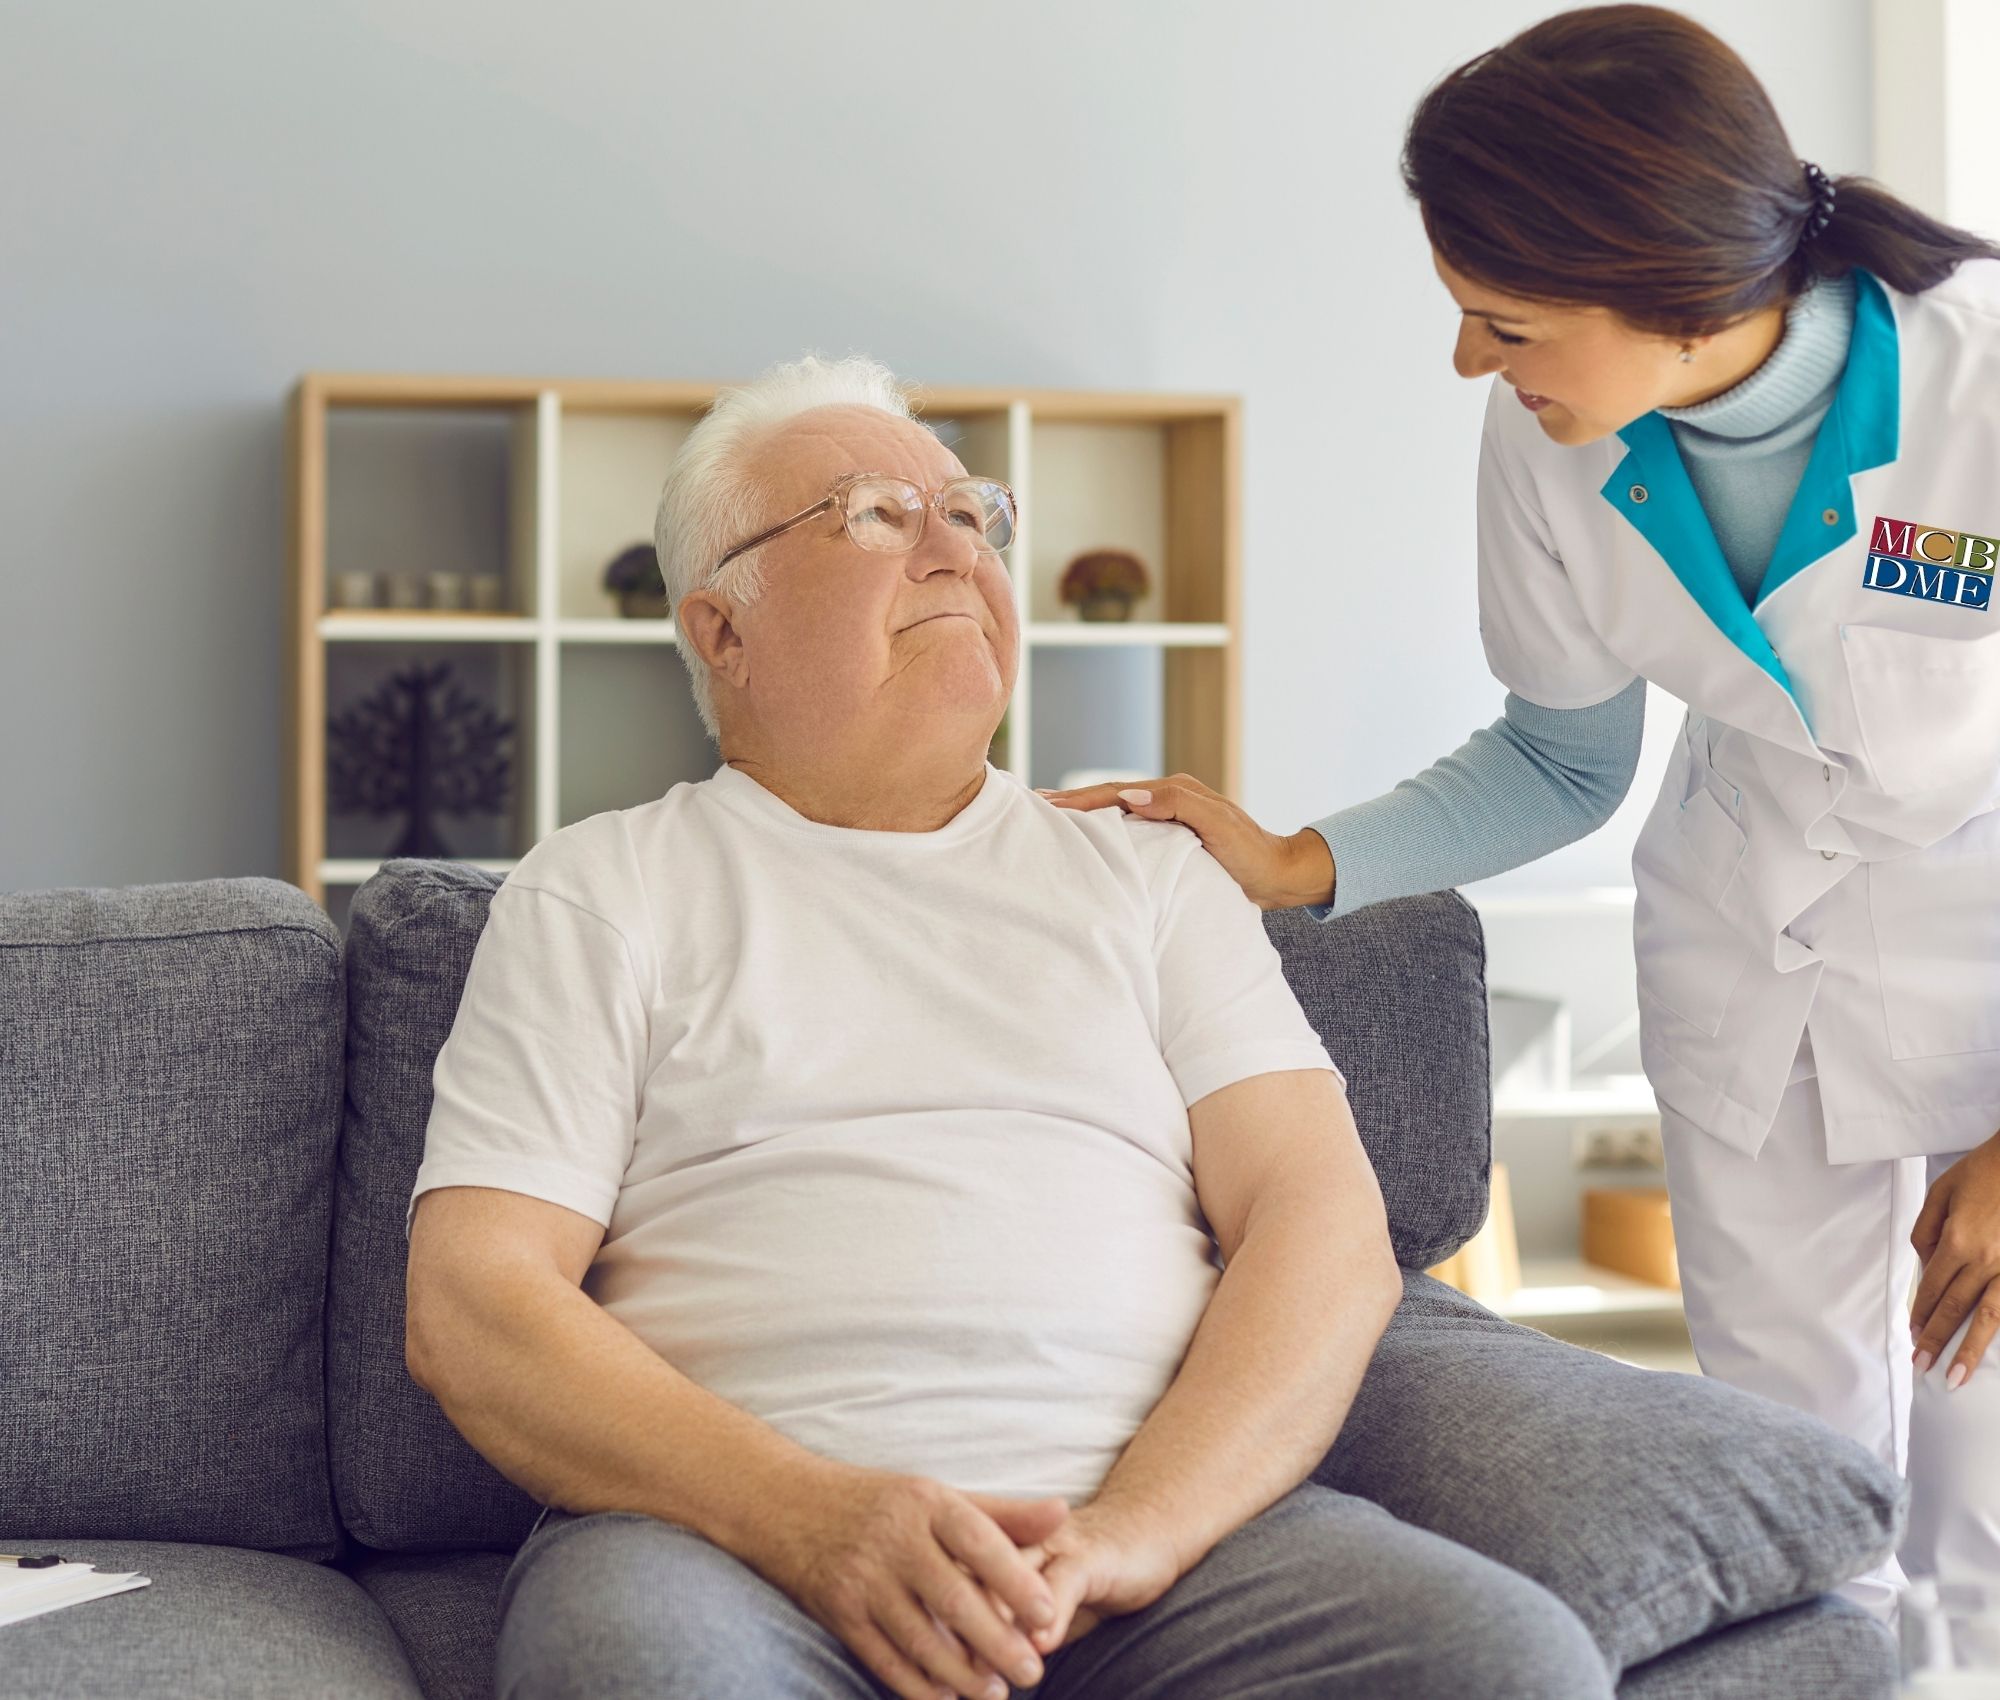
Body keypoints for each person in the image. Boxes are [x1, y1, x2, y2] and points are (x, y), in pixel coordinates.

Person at [401, 354, 1613, 1700]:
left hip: (1160, 1548)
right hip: (732, 1551)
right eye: (873, 513)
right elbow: (473, 1303)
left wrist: (1131, 1536)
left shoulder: (1147, 873)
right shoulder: (604, 885)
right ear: (721, 631)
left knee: (1505, 1663)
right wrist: (810, 1520)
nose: (950, 546)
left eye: (973, 514)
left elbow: (1322, 1231)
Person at [1043, 2, 2000, 1660]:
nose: (1473, 364)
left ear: (1677, 291)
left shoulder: (1982, 382)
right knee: (1796, 1476)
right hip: (1752, 960)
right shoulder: (1551, 443)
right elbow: (1562, 764)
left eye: (1504, 320)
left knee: (1984, 1510)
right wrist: (1299, 864)